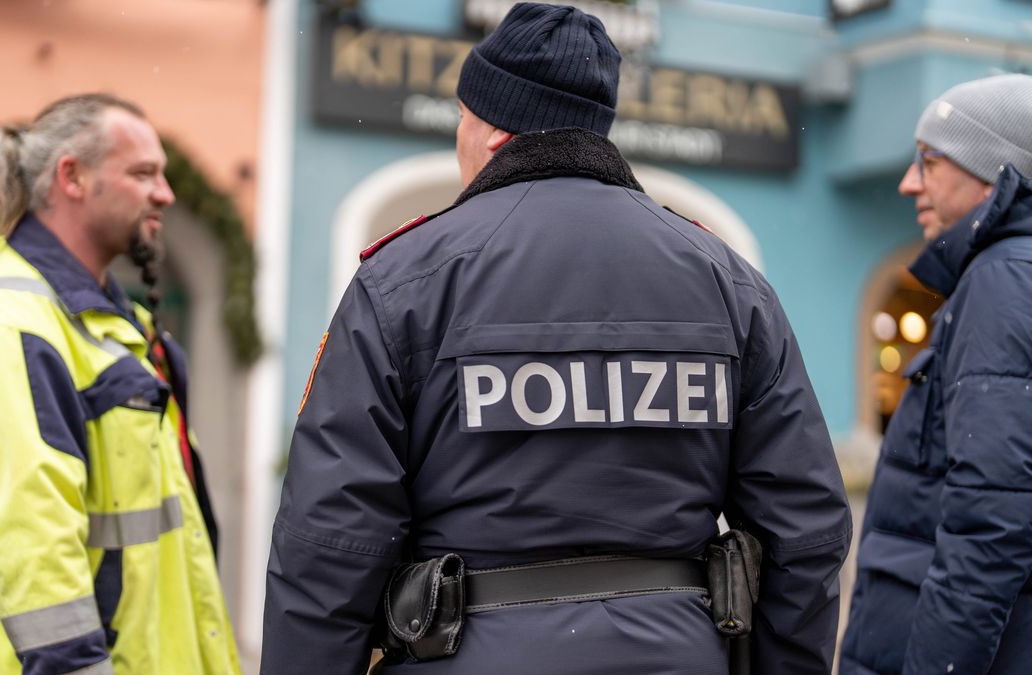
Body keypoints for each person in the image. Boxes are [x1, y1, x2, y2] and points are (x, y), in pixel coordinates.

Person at [261, 4, 851, 674]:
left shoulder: (407, 280)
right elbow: (804, 529)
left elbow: (331, 537)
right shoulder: (727, 282)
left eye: (462, 115)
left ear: (490, 130)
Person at [0, 93, 239, 674]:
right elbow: (34, 552)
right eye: (144, 173)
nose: (165, 194)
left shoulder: (112, 325)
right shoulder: (13, 326)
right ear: (72, 176)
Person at [840, 74, 1032, 675]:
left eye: (928, 161)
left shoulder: (1001, 281)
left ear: (995, 173)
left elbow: (991, 520)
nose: (908, 183)